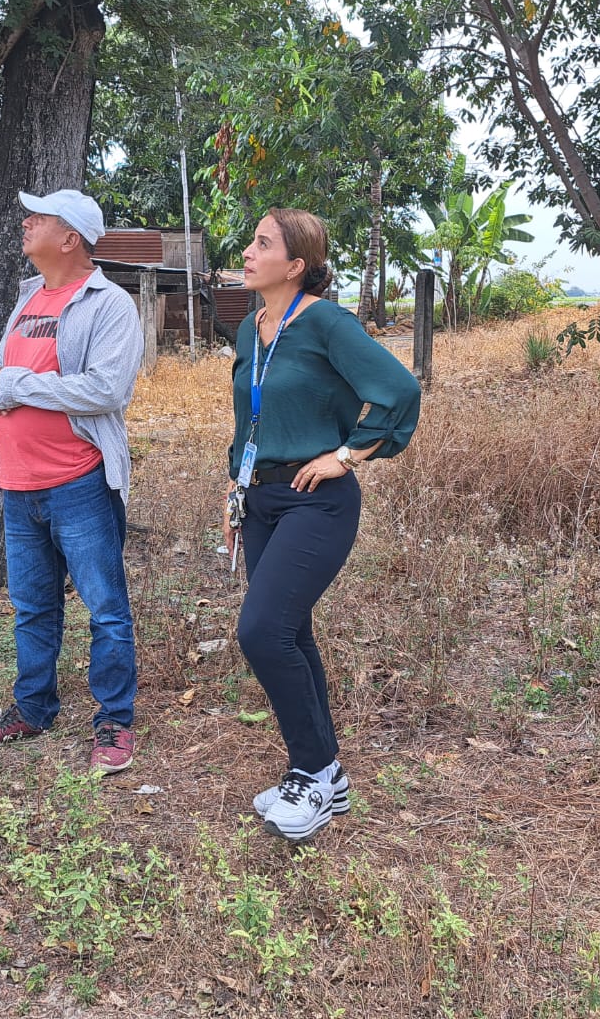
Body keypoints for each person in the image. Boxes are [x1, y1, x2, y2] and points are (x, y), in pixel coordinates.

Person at [223, 208, 421, 840]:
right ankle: (324, 776)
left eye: (262, 244)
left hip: (316, 501)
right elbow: (250, 422)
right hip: (261, 498)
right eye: (252, 242)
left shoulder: (327, 322)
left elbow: (398, 388)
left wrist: (348, 454)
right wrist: (236, 491)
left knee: (261, 632)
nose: (248, 252)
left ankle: (311, 770)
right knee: (289, 632)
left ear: (296, 265)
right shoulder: (251, 328)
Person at [0, 188, 145, 774]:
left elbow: (105, 389)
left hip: (79, 482)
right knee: (31, 606)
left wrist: (13, 385)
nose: (26, 222)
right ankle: (33, 708)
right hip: (18, 483)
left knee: (106, 608)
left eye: (39, 217)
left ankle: (114, 721)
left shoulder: (109, 304)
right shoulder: (29, 298)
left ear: (70, 238)